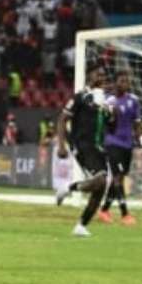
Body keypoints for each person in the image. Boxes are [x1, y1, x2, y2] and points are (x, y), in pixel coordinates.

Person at [55, 63, 115, 237]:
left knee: (101, 187)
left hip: (99, 147)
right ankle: (67, 188)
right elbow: (62, 119)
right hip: (83, 145)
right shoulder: (80, 97)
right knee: (101, 180)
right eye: (98, 74)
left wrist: (112, 114)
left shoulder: (103, 100)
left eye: (103, 75)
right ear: (89, 76)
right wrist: (61, 145)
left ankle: (81, 226)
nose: (101, 78)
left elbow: (111, 127)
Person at [97, 71, 142, 226]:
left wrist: (139, 139)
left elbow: (137, 123)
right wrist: (109, 115)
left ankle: (104, 210)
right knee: (117, 177)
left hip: (127, 144)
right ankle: (125, 214)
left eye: (127, 81)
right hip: (112, 142)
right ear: (116, 83)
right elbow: (104, 122)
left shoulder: (134, 100)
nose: (126, 84)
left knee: (120, 178)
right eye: (122, 81)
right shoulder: (109, 102)